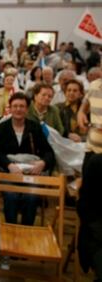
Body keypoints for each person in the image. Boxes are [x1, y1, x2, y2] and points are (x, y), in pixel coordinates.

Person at [0, 93, 55, 226]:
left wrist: (42, 163)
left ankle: (27, 230)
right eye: (15, 106)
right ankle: (10, 230)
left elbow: (49, 152)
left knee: (31, 196)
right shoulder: (3, 127)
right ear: (10, 108)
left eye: (22, 106)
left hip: (30, 174)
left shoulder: (34, 127)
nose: (18, 109)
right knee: (11, 196)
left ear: (27, 109)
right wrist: (9, 165)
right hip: (9, 172)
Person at [77, 77, 102, 281]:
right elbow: (83, 108)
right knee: (88, 206)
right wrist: (80, 114)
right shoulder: (94, 86)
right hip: (93, 154)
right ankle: (89, 253)